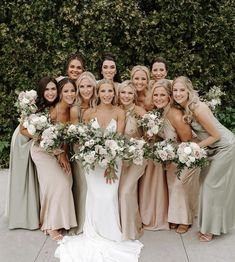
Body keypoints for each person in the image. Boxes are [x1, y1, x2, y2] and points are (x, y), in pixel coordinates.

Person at [55, 79, 143, 262]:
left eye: (110, 91)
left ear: (114, 93)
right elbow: (86, 140)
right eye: (103, 91)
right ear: (98, 92)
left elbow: (118, 140)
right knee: (95, 196)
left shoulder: (120, 112)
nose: (107, 94)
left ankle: (110, 231)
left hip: (112, 162)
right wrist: (94, 154)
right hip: (93, 164)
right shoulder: (88, 113)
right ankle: (94, 230)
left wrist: (110, 163)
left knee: (109, 196)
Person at [172, 76, 235, 241]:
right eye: (175, 90)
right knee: (204, 184)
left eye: (182, 90)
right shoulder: (185, 108)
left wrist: (192, 147)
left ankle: (210, 230)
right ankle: (210, 225)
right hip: (212, 149)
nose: (178, 93)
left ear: (189, 91)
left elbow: (215, 135)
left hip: (226, 147)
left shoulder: (198, 108)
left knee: (210, 186)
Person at [25, 77, 78, 240]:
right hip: (42, 152)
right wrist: (56, 150)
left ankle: (60, 221)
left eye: (72, 90)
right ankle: (50, 225)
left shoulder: (72, 110)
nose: (69, 94)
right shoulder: (46, 109)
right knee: (59, 183)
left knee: (67, 181)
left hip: (59, 151)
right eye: (65, 91)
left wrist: (64, 154)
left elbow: (66, 139)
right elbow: (23, 129)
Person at [5, 76, 58, 229]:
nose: (50, 92)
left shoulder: (57, 106)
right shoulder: (34, 105)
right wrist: (40, 137)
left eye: (53, 89)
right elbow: (22, 129)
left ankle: (39, 213)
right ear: (41, 91)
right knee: (24, 179)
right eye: (47, 89)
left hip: (36, 141)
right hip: (23, 141)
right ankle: (22, 217)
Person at [150, 79, 200, 234]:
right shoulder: (158, 112)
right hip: (171, 155)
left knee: (180, 185)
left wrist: (174, 153)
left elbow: (187, 140)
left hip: (187, 154)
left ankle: (186, 219)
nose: (158, 98)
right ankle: (176, 216)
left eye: (162, 95)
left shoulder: (175, 114)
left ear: (169, 97)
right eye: (155, 95)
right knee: (172, 186)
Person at [118, 80, 147, 240]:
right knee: (116, 192)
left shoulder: (140, 112)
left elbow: (150, 136)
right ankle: (118, 225)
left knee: (126, 191)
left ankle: (131, 229)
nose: (126, 96)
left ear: (134, 95)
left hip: (137, 158)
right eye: (123, 92)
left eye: (130, 93)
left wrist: (145, 139)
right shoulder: (115, 110)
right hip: (119, 159)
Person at [69, 72, 97, 234]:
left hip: (98, 150)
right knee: (84, 185)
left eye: (89, 86)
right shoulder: (75, 108)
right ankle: (82, 223)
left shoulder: (98, 104)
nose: (86, 90)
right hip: (80, 150)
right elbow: (76, 134)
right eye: (82, 87)